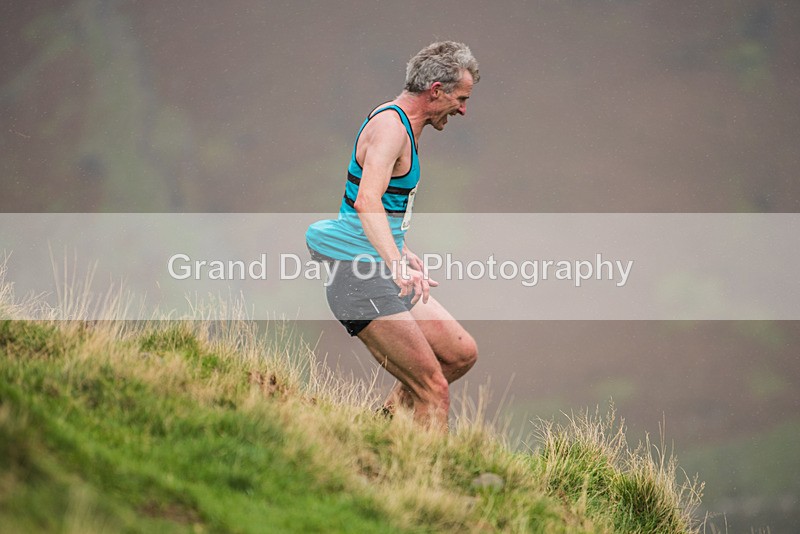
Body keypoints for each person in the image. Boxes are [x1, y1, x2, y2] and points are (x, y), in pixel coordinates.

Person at [306, 41, 480, 431]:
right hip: (358, 277)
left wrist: (402, 248)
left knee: (459, 354)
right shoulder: (390, 127)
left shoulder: (404, 127)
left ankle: (385, 427)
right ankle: (427, 485)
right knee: (434, 389)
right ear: (436, 90)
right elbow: (367, 200)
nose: (464, 109)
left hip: (379, 268)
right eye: (461, 98)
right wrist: (396, 263)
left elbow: (377, 205)